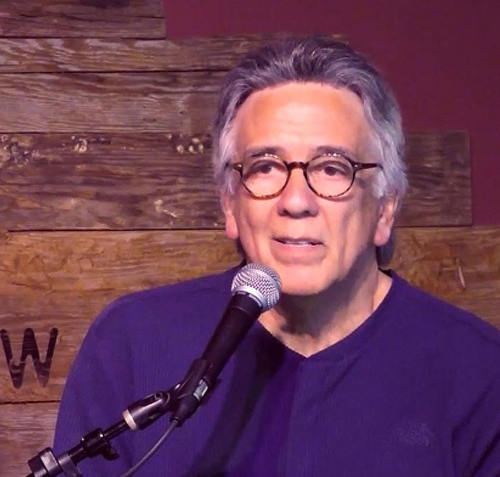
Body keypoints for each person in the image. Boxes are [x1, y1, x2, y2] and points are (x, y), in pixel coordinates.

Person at [53, 37, 500, 476]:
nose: (296, 201)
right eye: (265, 167)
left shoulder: (479, 372)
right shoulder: (132, 342)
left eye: (332, 168)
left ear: (385, 208)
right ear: (230, 204)